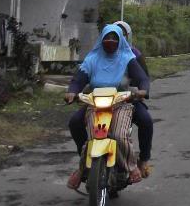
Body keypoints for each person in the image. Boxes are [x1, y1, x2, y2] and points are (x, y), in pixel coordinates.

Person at [64, 23, 150, 189]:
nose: (110, 41)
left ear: (122, 40)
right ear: (101, 39)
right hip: (96, 104)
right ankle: (83, 167)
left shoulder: (128, 58)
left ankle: (134, 165)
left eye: (114, 38)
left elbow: (142, 78)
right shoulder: (92, 59)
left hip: (122, 102)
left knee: (121, 133)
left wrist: (142, 90)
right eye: (107, 37)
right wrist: (72, 91)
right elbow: (79, 79)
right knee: (86, 133)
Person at [113, 20, 154, 180]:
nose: (116, 40)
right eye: (113, 36)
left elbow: (144, 78)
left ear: (127, 37)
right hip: (102, 100)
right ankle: (85, 159)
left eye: (121, 35)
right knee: (75, 122)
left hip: (128, 99)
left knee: (146, 121)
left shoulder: (134, 55)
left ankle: (143, 159)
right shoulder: (99, 54)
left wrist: (140, 92)